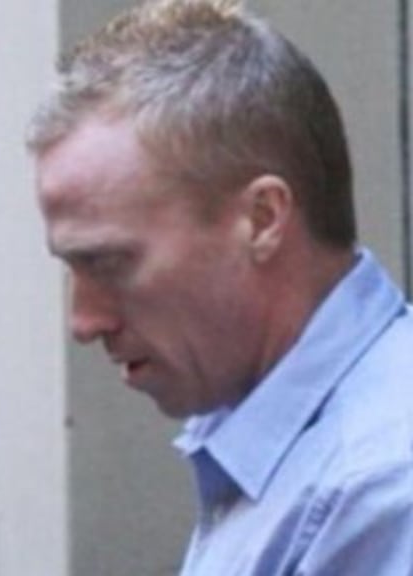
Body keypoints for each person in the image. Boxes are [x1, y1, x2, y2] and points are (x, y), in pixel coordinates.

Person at [28, 0, 413, 573]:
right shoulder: (275, 438)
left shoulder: (378, 486)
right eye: (72, 267)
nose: (84, 322)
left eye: (109, 263)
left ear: (262, 219)